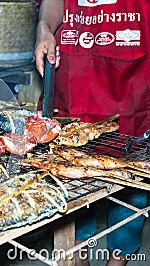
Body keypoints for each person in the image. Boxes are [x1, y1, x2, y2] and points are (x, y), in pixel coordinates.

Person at [33, 0, 149, 265]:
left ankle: (119, 259)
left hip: (131, 74)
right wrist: (44, 28)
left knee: (132, 183)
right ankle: (78, 254)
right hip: (72, 70)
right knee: (69, 180)